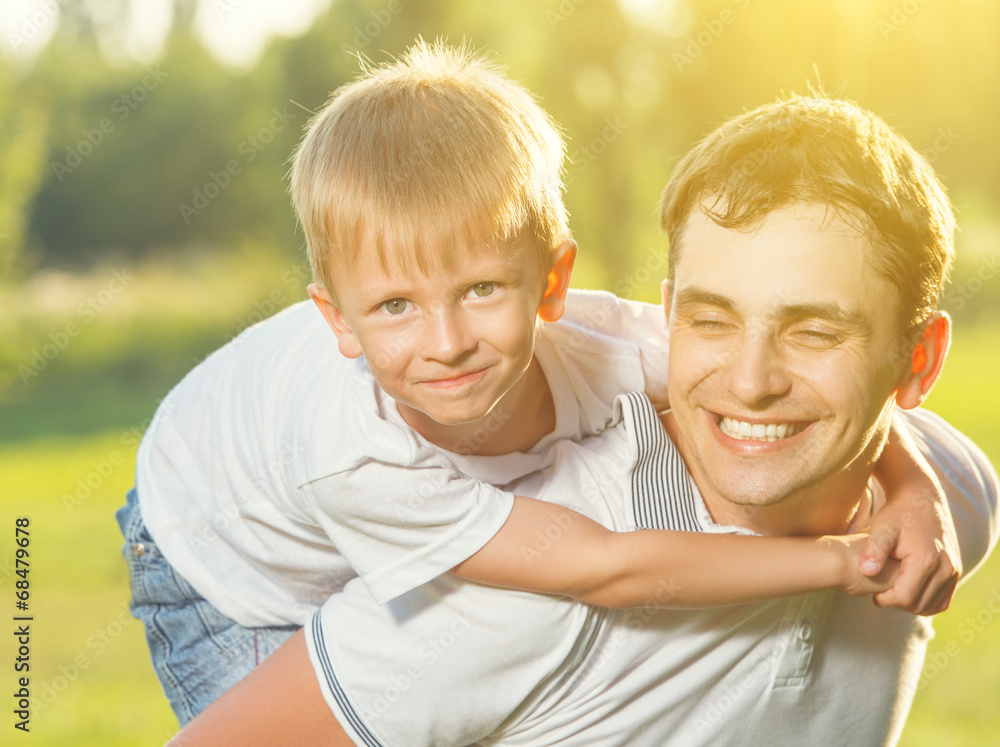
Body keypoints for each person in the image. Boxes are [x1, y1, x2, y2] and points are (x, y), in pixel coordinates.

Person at [119, 42, 956, 726]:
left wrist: (913, 491)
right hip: (206, 547)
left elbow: (822, 399)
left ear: (552, 284)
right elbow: (605, 569)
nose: (446, 344)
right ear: (336, 319)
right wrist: (843, 561)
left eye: (482, 289)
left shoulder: (610, 342)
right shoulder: (361, 459)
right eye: (396, 306)